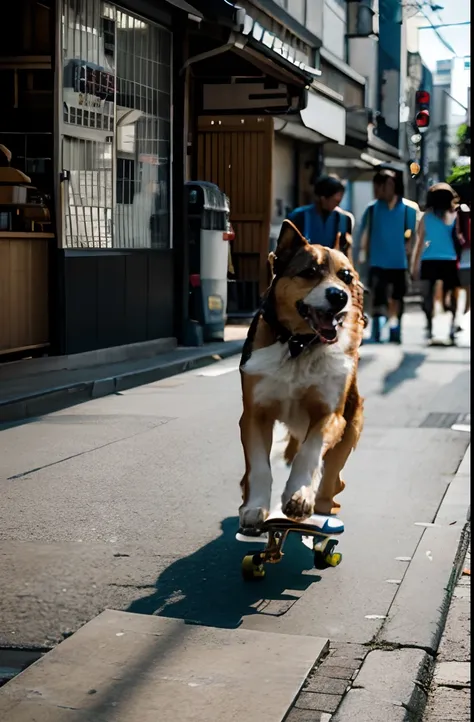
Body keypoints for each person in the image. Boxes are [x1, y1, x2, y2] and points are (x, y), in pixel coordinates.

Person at [357, 168, 418, 344]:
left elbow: (413, 237)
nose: (376, 191)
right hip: (377, 261)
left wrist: (412, 261)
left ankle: (395, 327)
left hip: (399, 262)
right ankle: (377, 328)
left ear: (390, 185)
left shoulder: (408, 210)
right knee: (378, 297)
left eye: (379, 187)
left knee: (397, 297)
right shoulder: (372, 209)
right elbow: (364, 236)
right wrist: (362, 258)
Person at [410, 183, 464, 343]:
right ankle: (453, 325)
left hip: (429, 260)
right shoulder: (454, 215)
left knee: (427, 295)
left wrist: (415, 265)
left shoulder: (426, 217)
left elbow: (419, 243)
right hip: (450, 259)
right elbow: (459, 238)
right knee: (452, 294)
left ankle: (429, 325)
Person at [288, 175, 355, 261]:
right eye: (335, 201)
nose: (337, 205)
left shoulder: (344, 219)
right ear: (323, 198)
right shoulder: (299, 216)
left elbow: (346, 252)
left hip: (333, 267)